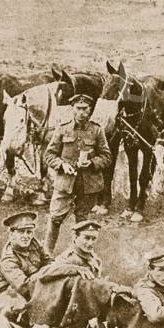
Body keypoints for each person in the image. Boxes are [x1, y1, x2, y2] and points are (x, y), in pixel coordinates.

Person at [42, 94, 111, 253]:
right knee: (55, 218)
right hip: (65, 183)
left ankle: (79, 255)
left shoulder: (97, 130)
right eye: (78, 108)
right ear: (72, 109)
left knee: (83, 222)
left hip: (89, 185)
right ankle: (46, 254)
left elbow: (107, 156)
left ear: (90, 110)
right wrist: (62, 165)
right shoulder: (63, 128)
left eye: (85, 109)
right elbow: (49, 155)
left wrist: (92, 163)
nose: (81, 112)